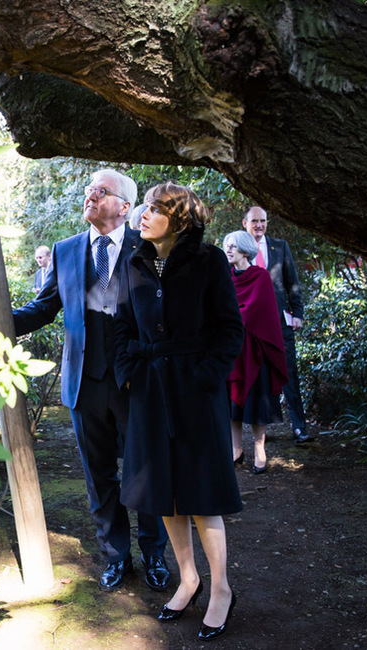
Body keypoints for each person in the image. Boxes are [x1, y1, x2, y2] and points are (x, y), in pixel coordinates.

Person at [0, 169, 170, 593]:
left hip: (136, 380)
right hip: (83, 381)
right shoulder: (66, 251)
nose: (90, 196)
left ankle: (155, 553)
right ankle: (117, 557)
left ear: (124, 206)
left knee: (145, 467)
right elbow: (44, 307)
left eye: (99, 192)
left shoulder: (149, 247)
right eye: (88, 191)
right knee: (98, 474)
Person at [114, 181, 244, 640]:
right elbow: (123, 328)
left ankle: (222, 588)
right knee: (165, 495)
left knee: (202, 494)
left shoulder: (208, 261)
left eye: (154, 208)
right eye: (144, 207)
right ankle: (189, 579)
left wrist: (205, 378)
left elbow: (231, 329)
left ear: (180, 216)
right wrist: (129, 372)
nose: (143, 215)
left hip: (196, 393)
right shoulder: (134, 263)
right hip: (151, 390)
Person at [243, 206, 312, 442]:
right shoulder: (238, 248)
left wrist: (298, 313)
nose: (259, 225)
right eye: (254, 221)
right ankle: (260, 428)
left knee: (289, 372)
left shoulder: (279, 247)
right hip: (250, 326)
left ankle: (299, 427)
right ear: (245, 224)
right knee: (255, 374)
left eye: (263, 221)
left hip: (280, 322)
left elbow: (292, 282)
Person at [222, 230, 288, 475]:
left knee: (256, 401)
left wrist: (231, 317)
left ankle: (260, 451)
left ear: (245, 250)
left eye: (234, 246)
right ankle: (236, 450)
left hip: (255, 350)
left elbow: (256, 312)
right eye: (227, 246)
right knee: (232, 403)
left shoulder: (260, 277)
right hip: (231, 350)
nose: (229, 250)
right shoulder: (225, 277)